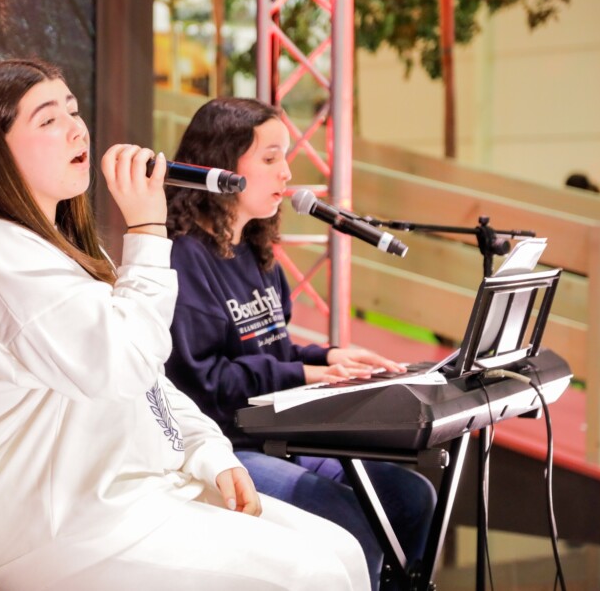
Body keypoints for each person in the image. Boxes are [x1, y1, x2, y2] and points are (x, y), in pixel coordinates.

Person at [0, 60, 370, 590]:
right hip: (55, 520)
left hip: (132, 490)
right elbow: (124, 365)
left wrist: (207, 451)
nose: (76, 128)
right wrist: (147, 228)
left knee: (342, 552)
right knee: (313, 576)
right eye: (47, 120)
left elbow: (152, 382)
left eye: (73, 110)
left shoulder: (65, 252)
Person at [163, 97, 437, 591]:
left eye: (285, 157)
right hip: (225, 446)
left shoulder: (252, 250)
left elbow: (272, 351)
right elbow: (206, 381)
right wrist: (307, 374)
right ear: (224, 164)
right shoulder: (182, 258)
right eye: (270, 158)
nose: (287, 174)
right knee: (347, 523)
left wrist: (326, 357)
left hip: (277, 436)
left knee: (410, 497)